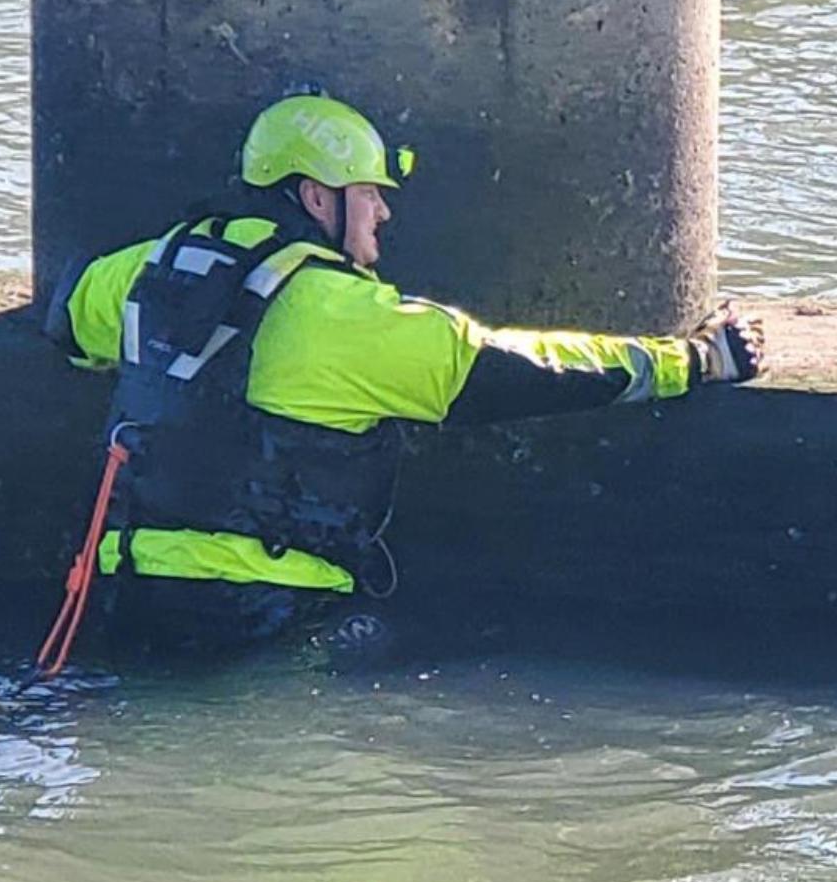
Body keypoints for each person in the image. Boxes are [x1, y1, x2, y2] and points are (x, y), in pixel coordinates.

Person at [41, 94, 762, 667]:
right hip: (269, 614)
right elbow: (521, 370)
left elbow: (68, 323)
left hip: (124, 595)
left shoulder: (154, 267)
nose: (385, 211)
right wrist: (696, 359)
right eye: (369, 192)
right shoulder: (348, 314)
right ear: (316, 199)